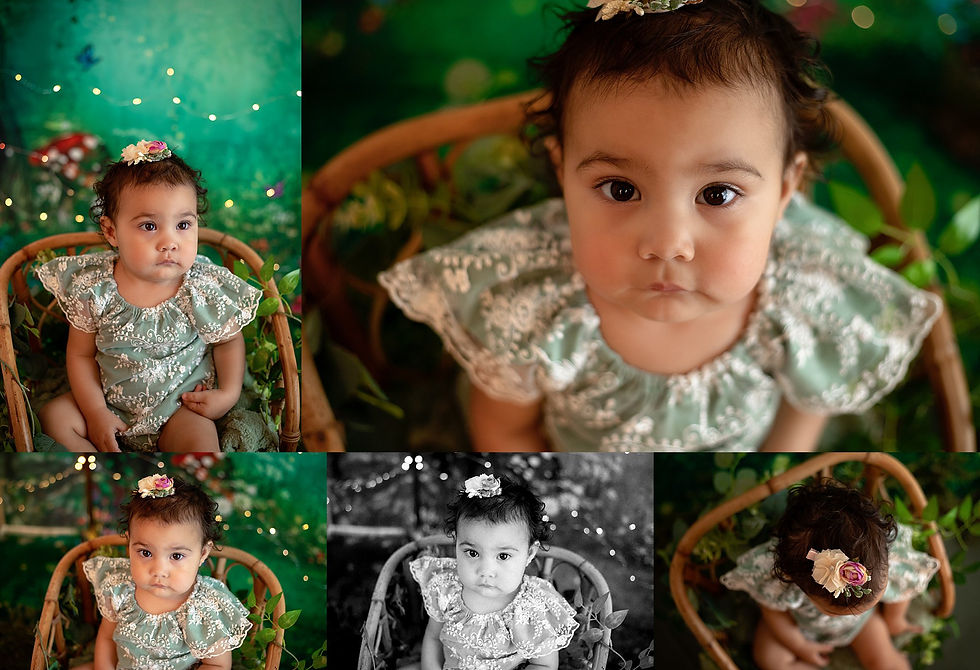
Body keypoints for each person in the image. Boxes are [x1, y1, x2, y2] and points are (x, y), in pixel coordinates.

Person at [377, 0, 942, 452]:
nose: (668, 244)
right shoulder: (536, 307)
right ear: (562, 170)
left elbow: (803, 413)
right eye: (620, 189)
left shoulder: (802, 294)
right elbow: (506, 433)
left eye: (717, 194)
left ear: (785, 191)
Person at [36, 140, 261, 452]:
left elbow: (228, 341)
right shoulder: (94, 287)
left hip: (181, 407)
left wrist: (228, 394)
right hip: (107, 402)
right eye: (149, 225)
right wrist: (96, 412)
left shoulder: (200, 286)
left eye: (183, 224)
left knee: (200, 442)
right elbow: (80, 356)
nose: (169, 241)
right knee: (54, 416)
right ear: (112, 231)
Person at [721, 479, 939, 670]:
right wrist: (799, 645)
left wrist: (894, 619)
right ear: (793, 578)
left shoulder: (885, 558)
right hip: (800, 625)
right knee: (770, 659)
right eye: (833, 611)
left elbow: (901, 589)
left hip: (860, 625)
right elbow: (773, 611)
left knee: (885, 661)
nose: (846, 614)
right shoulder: (785, 579)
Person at [79, 474, 251, 670]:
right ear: (129, 544)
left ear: (203, 553)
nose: (159, 570)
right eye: (145, 553)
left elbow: (217, 665)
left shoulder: (203, 608)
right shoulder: (121, 589)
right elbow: (107, 639)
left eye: (176, 556)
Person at [408, 473, 578, 670]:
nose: (486, 571)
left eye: (503, 556)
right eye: (472, 553)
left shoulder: (532, 607)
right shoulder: (447, 588)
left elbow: (544, 666)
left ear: (529, 553)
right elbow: (433, 639)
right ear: (456, 544)